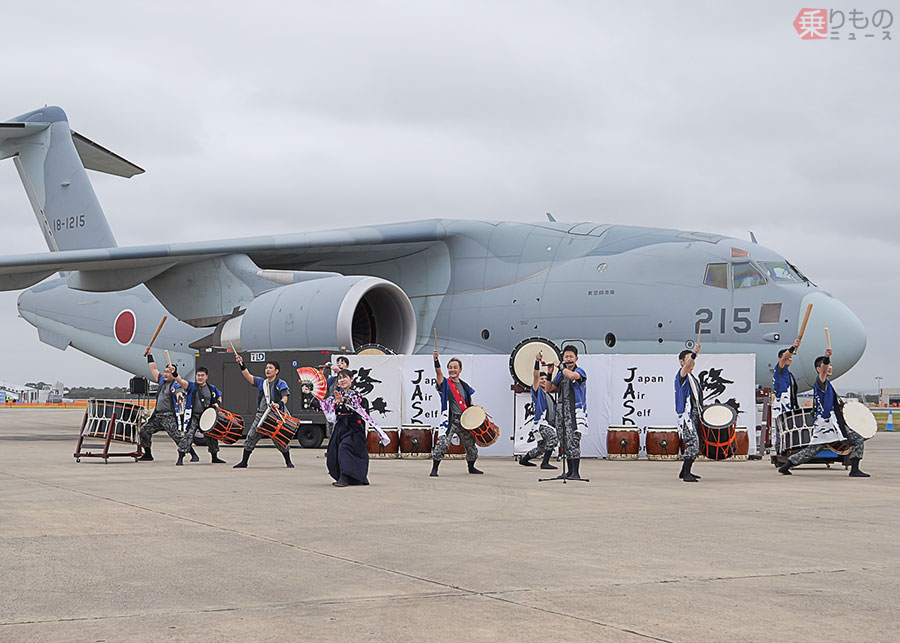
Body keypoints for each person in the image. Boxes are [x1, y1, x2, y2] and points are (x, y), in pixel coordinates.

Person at [778, 349, 869, 477]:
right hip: (828, 423)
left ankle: (786, 466)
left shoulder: (826, 384)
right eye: (827, 365)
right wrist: (826, 357)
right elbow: (824, 371)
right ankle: (854, 470)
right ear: (818, 369)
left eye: (830, 365)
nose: (829, 367)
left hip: (826, 422)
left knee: (812, 450)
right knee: (857, 439)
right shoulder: (821, 382)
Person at [322, 369, 390, 486]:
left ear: (351, 379)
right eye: (340, 378)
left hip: (353, 428)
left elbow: (354, 404)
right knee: (334, 452)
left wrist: (343, 401)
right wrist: (311, 393)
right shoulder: (336, 395)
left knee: (344, 449)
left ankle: (344, 478)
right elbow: (323, 405)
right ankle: (350, 478)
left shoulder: (355, 394)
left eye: (345, 377)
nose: (342, 380)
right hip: (340, 427)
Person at [233, 355, 293, 469]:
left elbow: (285, 398)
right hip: (261, 415)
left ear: (276, 371)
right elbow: (249, 376)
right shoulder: (262, 382)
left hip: (275, 416)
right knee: (251, 436)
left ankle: (288, 461)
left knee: (279, 440)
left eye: (270, 368)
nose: (267, 370)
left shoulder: (281, 383)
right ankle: (244, 462)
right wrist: (241, 363)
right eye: (266, 368)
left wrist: (278, 404)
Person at [429, 350, 482, 477]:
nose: (452, 370)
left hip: (464, 421)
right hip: (450, 420)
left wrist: (475, 409)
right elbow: (438, 373)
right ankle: (434, 469)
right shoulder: (445, 384)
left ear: (460, 370)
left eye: (455, 367)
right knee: (443, 444)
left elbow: (469, 402)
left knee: (471, 446)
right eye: (450, 367)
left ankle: (471, 467)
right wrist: (436, 360)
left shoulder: (464, 386)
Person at [547, 345, 587, 479]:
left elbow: (573, 376)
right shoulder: (560, 374)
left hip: (574, 412)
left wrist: (561, 367)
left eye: (571, 356)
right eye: (566, 356)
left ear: (576, 358)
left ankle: (575, 472)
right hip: (561, 411)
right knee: (563, 440)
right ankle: (569, 471)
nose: (568, 359)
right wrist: (549, 373)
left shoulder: (579, 371)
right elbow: (549, 388)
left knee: (573, 440)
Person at [173, 366, 227, 465]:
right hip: (194, 416)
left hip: (206, 417)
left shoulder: (211, 388)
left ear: (206, 376)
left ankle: (214, 457)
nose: (200, 377)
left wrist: (217, 404)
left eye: (202, 375)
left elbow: (219, 396)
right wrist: (175, 374)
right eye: (198, 375)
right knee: (188, 436)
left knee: (212, 436)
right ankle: (180, 457)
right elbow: (181, 381)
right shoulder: (192, 386)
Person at [138, 350, 184, 462]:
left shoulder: (176, 384)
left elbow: (179, 394)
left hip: (168, 416)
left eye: (169, 372)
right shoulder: (162, 381)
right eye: (165, 372)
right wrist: (149, 355)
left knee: (176, 437)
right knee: (144, 430)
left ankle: (192, 453)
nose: (166, 374)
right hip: (157, 416)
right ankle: (148, 454)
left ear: (174, 374)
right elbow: (153, 369)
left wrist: (179, 400)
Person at [518, 352, 558, 469]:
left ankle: (524, 459)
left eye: (545, 379)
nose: (544, 380)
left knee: (541, 448)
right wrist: (537, 362)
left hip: (546, 424)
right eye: (541, 379)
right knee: (554, 437)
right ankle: (545, 463)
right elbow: (535, 376)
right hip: (540, 424)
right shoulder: (537, 391)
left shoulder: (548, 395)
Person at [675, 344, 703, 483]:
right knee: (693, 443)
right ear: (682, 362)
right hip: (687, 416)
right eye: (689, 359)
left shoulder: (692, 378)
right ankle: (686, 473)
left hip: (695, 414)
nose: (692, 363)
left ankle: (684, 471)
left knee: (698, 443)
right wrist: (694, 354)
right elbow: (687, 367)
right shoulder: (682, 375)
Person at [771, 338, 801, 452]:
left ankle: (787, 450)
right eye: (788, 357)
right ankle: (780, 451)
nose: (790, 359)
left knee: (788, 430)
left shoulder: (789, 374)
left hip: (789, 405)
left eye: (791, 357)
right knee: (782, 430)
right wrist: (793, 347)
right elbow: (784, 357)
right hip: (781, 405)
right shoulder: (780, 369)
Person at [323, 356, 349, 437]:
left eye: (342, 363)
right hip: (332, 408)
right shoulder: (332, 379)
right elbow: (323, 387)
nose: (339, 364)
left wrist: (333, 367)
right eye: (338, 363)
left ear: (347, 366)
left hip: (344, 409)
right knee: (331, 432)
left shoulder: (349, 378)